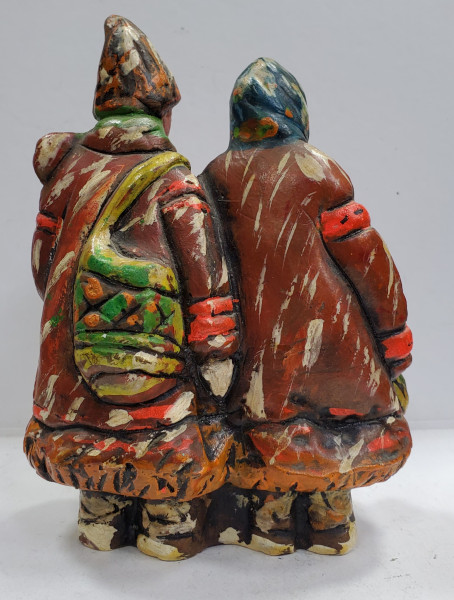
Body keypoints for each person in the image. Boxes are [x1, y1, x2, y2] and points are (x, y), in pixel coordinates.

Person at [25, 15, 239, 560]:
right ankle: (168, 527)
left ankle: (99, 517)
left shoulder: (68, 173)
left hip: (74, 359)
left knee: (90, 442)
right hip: (152, 356)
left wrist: (76, 305)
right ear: (161, 110)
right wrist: (216, 347)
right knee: (159, 437)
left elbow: (42, 265)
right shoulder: (173, 178)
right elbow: (204, 272)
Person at [200, 58, 413, 555]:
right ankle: (330, 521)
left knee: (267, 436)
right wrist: (392, 333)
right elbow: (366, 257)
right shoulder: (320, 170)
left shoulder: (215, 176)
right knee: (334, 434)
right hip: (336, 345)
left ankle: (270, 523)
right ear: (295, 112)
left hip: (257, 356)